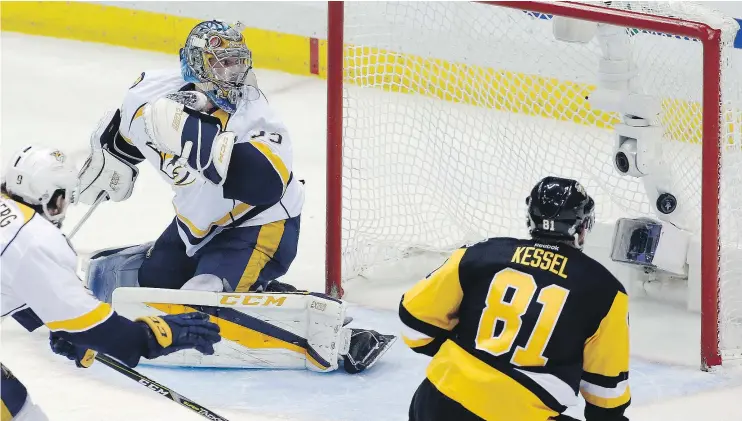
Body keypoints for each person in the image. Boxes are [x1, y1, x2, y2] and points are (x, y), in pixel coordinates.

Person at [76, 19, 395, 374]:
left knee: (198, 301)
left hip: (258, 227)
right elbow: (125, 132)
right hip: (195, 225)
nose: (231, 73)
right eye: (219, 62)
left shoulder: (257, 118)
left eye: (236, 61)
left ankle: (338, 335)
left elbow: (266, 186)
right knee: (154, 286)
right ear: (193, 64)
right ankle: (253, 290)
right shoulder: (149, 93)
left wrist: (197, 139)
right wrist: (114, 158)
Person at [1, 145, 222, 421]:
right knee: (15, 409)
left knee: (13, 402)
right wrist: (156, 334)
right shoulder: (32, 238)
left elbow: (13, 279)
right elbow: (113, 336)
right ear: (52, 199)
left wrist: (66, 324)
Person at [400, 176, 630, 421]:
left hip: (435, 403)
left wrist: (465, 360)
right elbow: (607, 397)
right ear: (582, 227)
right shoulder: (606, 291)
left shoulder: (479, 253)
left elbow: (413, 323)